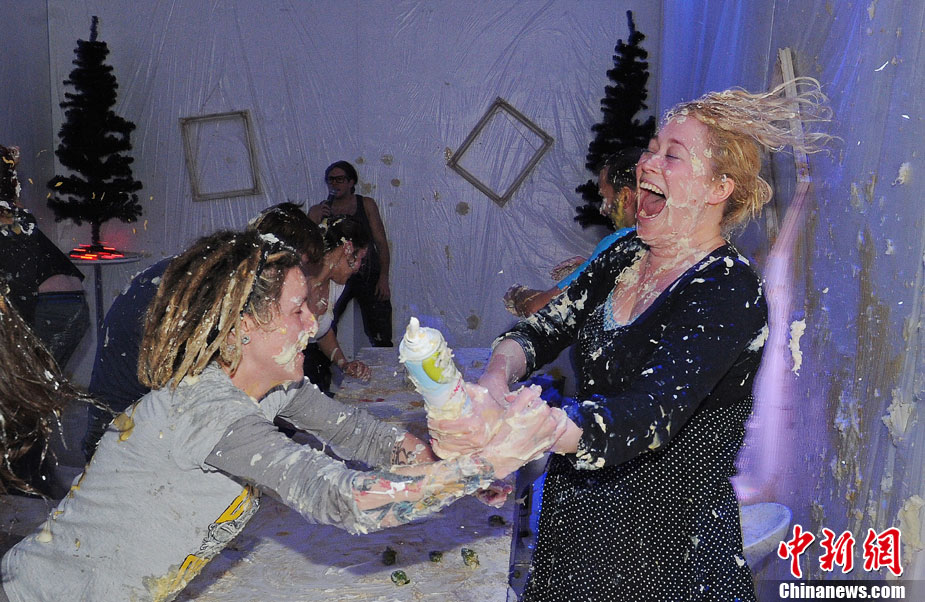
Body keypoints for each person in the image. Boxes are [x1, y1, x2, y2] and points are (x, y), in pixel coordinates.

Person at [1, 229, 566, 602]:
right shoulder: (205, 410)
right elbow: (337, 496)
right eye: (297, 309)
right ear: (244, 326)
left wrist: (448, 464)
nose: (313, 325)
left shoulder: (272, 388)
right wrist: (480, 467)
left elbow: (360, 435)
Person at [432, 78, 831, 601]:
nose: (647, 164)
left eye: (673, 155)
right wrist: (494, 378)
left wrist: (531, 430)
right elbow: (544, 327)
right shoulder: (626, 256)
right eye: (651, 148)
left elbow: (648, 413)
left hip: (666, 548)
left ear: (718, 188)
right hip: (579, 527)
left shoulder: (728, 287)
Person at [82, 203, 324, 460]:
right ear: (272, 257)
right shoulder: (207, 292)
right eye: (296, 267)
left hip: (137, 429)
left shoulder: (209, 273)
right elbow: (206, 406)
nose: (298, 277)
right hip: (121, 443)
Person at [503, 148, 644, 317]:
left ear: (625, 197)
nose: (603, 211)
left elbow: (543, 310)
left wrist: (519, 296)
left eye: (605, 198)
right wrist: (592, 268)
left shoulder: (621, 242)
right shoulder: (662, 240)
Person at [0, 283, 101, 498]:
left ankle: (30, 483)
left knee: (23, 402)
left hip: (52, 301)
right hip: (66, 298)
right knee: (25, 400)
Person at [0, 144, 89, 369]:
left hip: (51, 306)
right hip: (61, 302)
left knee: (25, 382)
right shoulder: (10, 213)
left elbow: (20, 286)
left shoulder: (9, 219)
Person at [308, 160, 393, 347]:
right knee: (325, 324)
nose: (334, 184)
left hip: (368, 273)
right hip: (336, 276)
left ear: (351, 182)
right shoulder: (320, 209)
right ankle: (326, 361)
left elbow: (381, 242)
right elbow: (309, 247)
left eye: (340, 179)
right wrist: (312, 220)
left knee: (380, 330)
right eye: (331, 180)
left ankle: (384, 363)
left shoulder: (366, 204)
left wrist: (383, 277)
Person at [302, 215, 374, 393]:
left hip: (304, 371)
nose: (358, 267)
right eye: (360, 258)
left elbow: (322, 331)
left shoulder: (335, 284)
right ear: (347, 248)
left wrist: (344, 364)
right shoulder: (298, 280)